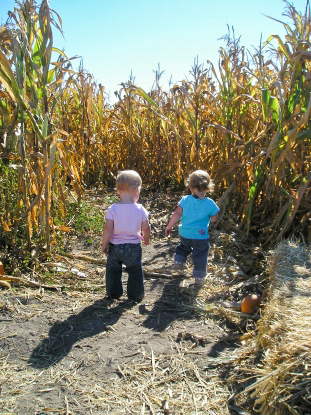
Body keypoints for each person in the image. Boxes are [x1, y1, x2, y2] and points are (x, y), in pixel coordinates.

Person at [102, 170, 150, 302]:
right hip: (133, 247)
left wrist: (104, 243)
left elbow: (108, 228)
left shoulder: (112, 209)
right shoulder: (140, 209)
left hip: (115, 247)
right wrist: (146, 239)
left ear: (118, 190)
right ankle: (135, 295)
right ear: (135, 190)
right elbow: (145, 227)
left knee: (112, 271)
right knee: (135, 271)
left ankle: (113, 293)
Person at [165, 170, 219, 286]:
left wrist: (169, 226)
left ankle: (178, 261)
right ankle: (199, 278)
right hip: (200, 235)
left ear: (190, 186)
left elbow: (177, 213)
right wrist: (211, 216)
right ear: (208, 188)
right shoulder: (210, 203)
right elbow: (214, 219)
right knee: (200, 255)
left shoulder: (185, 200)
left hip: (185, 233)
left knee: (183, 247)